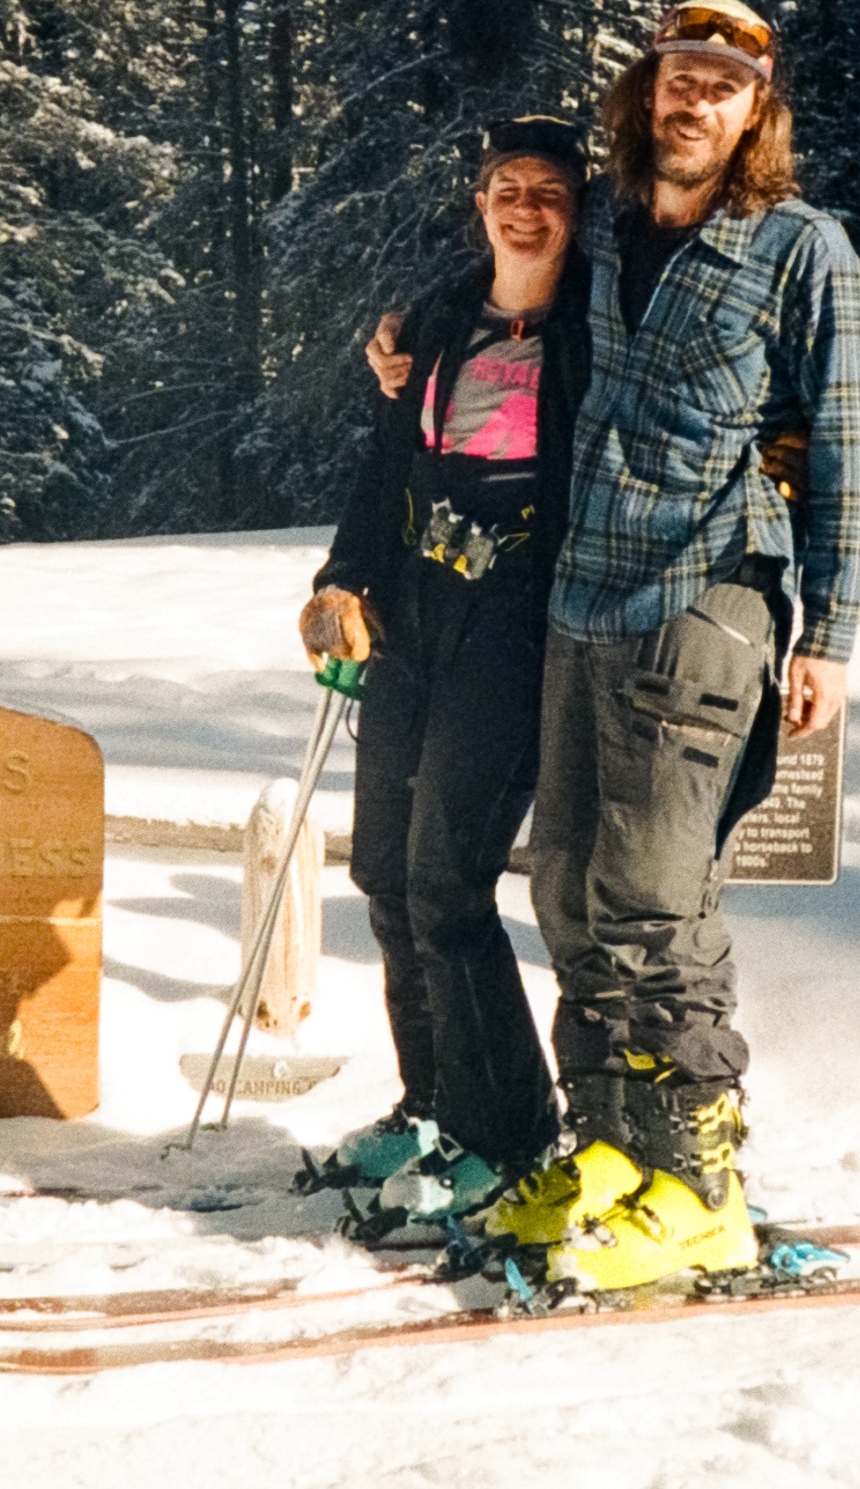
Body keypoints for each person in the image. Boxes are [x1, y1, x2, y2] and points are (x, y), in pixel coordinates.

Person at [375, 0, 860, 1290]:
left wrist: (826, 632)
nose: (692, 100)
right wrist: (421, 329)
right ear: (643, 92)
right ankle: (610, 1147)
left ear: (755, 111)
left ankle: (698, 1185)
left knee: (655, 897)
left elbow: (848, 445)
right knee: (567, 889)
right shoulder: (604, 228)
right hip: (578, 607)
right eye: (676, 76)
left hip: (704, 599)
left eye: (721, 84)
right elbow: (512, 264)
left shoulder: (797, 248)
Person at [298, 116, 594, 1219]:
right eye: (506, 188)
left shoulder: (592, 326)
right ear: (478, 203)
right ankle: (431, 1105)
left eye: (548, 190)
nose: (525, 207)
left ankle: (509, 1129)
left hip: (519, 611)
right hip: (415, 600)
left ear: (575, 206)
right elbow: (388, 465)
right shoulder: (435, 320)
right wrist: (342, 575)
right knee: (380, 866)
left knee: (446, 879)